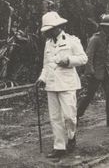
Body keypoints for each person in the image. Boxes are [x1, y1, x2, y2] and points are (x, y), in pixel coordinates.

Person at [36, 11, 88, 158]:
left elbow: (83, 58)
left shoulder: (72, 41)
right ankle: (59, 147)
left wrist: (68, 60)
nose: (46, 33)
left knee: (69, 116)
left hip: (67, 84)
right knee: (55, 117)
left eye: (48, 30)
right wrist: (42, 78)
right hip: (51, 85)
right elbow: (46, 65)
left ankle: (71, 136)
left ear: (57, 27)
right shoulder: (48, 44)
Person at [77, 14, 109, 127]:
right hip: (95, 73)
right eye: (107, 27)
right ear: (102, 27)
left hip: (107, 72)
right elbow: (89, 56)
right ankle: (76, 116)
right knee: (89, 96)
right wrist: (89, 72)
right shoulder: (95, 39)